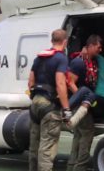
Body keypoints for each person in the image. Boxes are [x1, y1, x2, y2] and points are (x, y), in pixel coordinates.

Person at [28, 29, 72, 171]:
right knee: (47, 149)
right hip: (50, 106)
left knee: (34, 146)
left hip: (35, 104)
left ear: (52, 41)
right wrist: (66, 109)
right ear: (64, 42)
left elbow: (30, 83)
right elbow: (60, 84)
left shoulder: (39, 58)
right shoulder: (61, 58)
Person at [66, 34, 104, 171]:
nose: (100, 49)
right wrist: (81, 97)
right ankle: (80, 167)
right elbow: (70, 82)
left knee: (79, 135)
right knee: (87, 132)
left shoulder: (94, 61)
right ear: (90, 46)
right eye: (98, 47)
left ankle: (72, 165)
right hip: (80, 102)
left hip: (86, 101)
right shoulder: (79, 62)